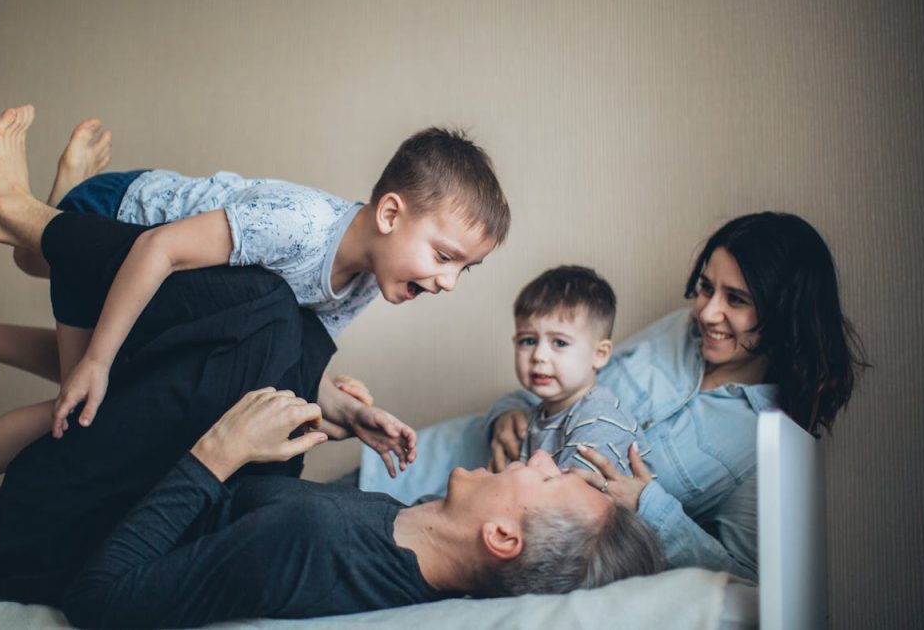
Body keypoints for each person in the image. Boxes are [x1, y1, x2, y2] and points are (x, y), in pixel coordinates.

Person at [0, 105, 493, 560]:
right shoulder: (300, 226)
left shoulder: (366, 281)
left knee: (75, 317)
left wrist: (344, 412)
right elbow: (157, 249)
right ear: (390, 216)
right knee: (84, 404)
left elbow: (290, 359)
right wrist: (94, 361)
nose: (448, 281)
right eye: (444, 256)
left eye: (463, 268)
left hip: (160, 281)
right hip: (125, 219)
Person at [360, 212, 867, 582]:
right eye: (706, 287)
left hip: (487, 536)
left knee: (338, 553)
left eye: (736, 300)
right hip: (437, 459)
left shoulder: (769, 438)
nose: (708, 312)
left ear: (783, 313)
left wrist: (653, 508)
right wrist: (505, 414)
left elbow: (744, 576)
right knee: (315, 505)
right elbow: (569, 377)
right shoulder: (675, 332)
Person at [59, 388, 666, 628]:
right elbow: (238, 525)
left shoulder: (319, 543)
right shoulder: (414, 533)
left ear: (504, 538)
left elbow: (98, 600)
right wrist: (330, 423)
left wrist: (216, 454)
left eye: (550, 478)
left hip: (63, 534)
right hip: (133, 486)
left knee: (264, 309)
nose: (540, 457)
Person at [505, 265, 644, 472]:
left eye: (559, 343)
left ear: (600, 354)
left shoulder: (599, 420)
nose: (539, 356)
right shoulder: (537, 415)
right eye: (528, 341)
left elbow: (572, 502)